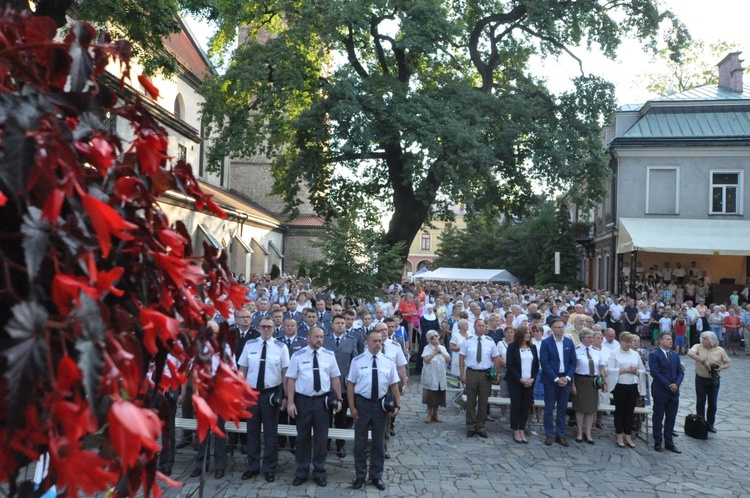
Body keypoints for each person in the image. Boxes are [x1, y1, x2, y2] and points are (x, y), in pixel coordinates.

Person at [286, 327, 342, 487]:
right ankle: (302, 471)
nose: (319, 339)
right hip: (303, 401)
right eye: (316, 336)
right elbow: (291, 380)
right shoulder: (297, 356)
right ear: (308, 338)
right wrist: (290, 402)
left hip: (322, 402)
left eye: (321, 337)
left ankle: (319, 471)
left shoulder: (329, 356)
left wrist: (339, 399)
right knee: (302, 437)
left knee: (321, 438)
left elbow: (335, 379)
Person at [347, 330, 401, 491]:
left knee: (378, 443)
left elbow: (394, 385)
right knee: (360, 443)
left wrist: (398, 404)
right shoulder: (357, 361)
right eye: (375, 341)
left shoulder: (388, 362)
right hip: (362, 404)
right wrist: (352, 406)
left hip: (380, 405)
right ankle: (360, 475)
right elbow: (351, 385)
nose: (378, 344)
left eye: (380, 341)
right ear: (367, 342)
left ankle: (376, 476)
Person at [238, 316, 290, 481]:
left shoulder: (281, 347)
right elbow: (243, 369)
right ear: (258, 328)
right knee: (252, 432)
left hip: (271, 394)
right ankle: (252, 467)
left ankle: (269, 468)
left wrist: (285, 395)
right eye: (263, 326)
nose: (266, 329)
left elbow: (285, 374)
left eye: (269, 326)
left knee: (270, 433)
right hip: (251, 393)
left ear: (274, 328)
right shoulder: (249, 345)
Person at [322, 314, 360, 459]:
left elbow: (354, 363)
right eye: (337, 323)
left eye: (343, 323)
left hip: (343, 386)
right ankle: (325, 442)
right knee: (325, 416)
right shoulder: (324, 339)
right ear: (332, 325)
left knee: (341, 417)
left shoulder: (351, 341)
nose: (340, 325)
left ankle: (340, 444)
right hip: (326, 384)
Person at [459, 319, 501, 438]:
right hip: (472, 372)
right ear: (474, 326)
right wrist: (462, 374)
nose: (481, 327)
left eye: (483, 326)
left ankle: (481, 427)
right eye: (479, 325)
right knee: (471, 401)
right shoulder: (467, 341)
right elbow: (462, 358)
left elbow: (496, 358)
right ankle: (471, 426)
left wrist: (497, 373)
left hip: (485, 374)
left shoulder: (490, 341)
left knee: (483, 401)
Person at [539, 320, 577, 447]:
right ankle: (549, 434)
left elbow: (573, 362)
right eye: (559, 327)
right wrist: (556, 379)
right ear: (552, 328)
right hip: (551, 380)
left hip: (565, 379)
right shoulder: (546, 342)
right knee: (549, 409)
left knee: (562, 409)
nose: (561, 329)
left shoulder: (568, 342)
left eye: (562, 327)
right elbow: (544, 363)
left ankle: (560, 435)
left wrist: (567, 377)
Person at [687, 331, 730, 433]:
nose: (703, 340)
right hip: (701, 378)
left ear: (711, 340)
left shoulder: (720, 350)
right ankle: (700, 423)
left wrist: (721, 368)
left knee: (713, 403)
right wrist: (703, 361)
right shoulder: (698, 347)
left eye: (705, 339)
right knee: (700, 401)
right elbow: (690, 353)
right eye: (702, 338)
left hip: (714, 379)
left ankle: (710, 424)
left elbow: (727, 362)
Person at [608, 332, 645, 449]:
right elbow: (610, 370)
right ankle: (619, 434)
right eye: (627, 342)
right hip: (619, 385)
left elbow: (642, 370)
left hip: (632, 385)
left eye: (631, 342)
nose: (630, 345)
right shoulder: (614, 353)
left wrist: (636, 371)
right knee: (619, 411)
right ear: (621, 341)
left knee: (630, 411)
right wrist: (625, 369)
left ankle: (628, 435)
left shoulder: (635, 354)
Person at [649, 332, 684, 453]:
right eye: (668, 339)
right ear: (660, 341)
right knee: (658, 416)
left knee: (671, 416)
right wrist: (668, 385)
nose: (671, 341)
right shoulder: (654, 355)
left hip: (674, 391)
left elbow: (680, 372)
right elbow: (655, 373)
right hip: (661, 390)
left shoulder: (674, 355)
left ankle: (669, 441)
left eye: (671, 339)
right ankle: (658, 441)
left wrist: (676, 384)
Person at [571, 329, 607, 445]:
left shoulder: (596, 351)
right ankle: (580, 432)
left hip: (593, 381)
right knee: (580, 408)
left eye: (592, 337)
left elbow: (601, 367)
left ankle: (588, 433)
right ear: (582, 338)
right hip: (580, 380)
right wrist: (573, 385)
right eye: (588, 337)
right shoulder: (576, 351)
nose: (591, 339)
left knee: (591, 409)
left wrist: (604, 382)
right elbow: (571, 369)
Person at [505, 325, 539, 444]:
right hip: (516, 382)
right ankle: (515, 430)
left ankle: (522, 429)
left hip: (529, 382)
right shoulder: (512, 347)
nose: (528, 335)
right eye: (526, 333)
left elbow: (536, 366)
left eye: (529, 333)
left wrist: (533, 379)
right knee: (516, 406)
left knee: (525, 406)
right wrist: (520, 379)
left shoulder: (533, 347)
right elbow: (510, 365)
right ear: (520, 334)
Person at [421, 330, 451, 422]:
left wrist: (441, 352)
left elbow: (448, 359)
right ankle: (429, 414)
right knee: (430, 395)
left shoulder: (443, 347)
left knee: (438, 395)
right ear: (429, 340)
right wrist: (434, 352)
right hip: (430, 375)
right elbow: (426, 359)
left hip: (440, 375)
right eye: (432, 337)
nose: (435, 338)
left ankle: (436, 414)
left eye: (436, 336)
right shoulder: (427, 348)